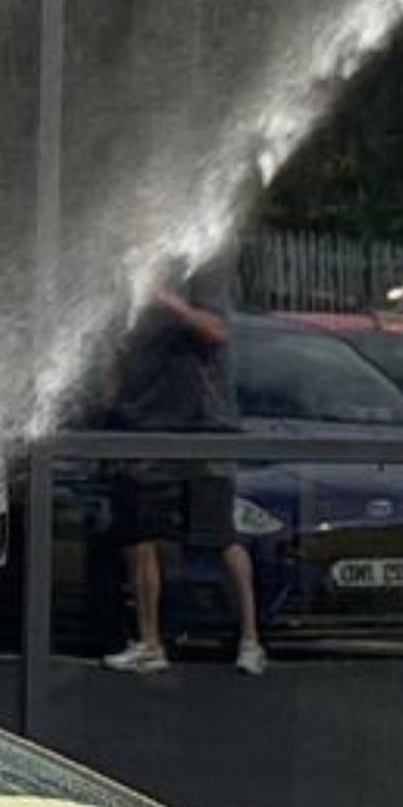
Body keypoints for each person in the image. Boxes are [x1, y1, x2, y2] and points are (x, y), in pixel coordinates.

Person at [93, 275, 265, 675]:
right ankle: (150, 643)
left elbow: (216, 330)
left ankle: (251, 639)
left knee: (219, 534)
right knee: (139, 534)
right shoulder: (128, 292)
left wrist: (168, 303)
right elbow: (117, 355)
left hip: (200, 428)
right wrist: (111, 397)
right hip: (143, 426)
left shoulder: (197, 275)